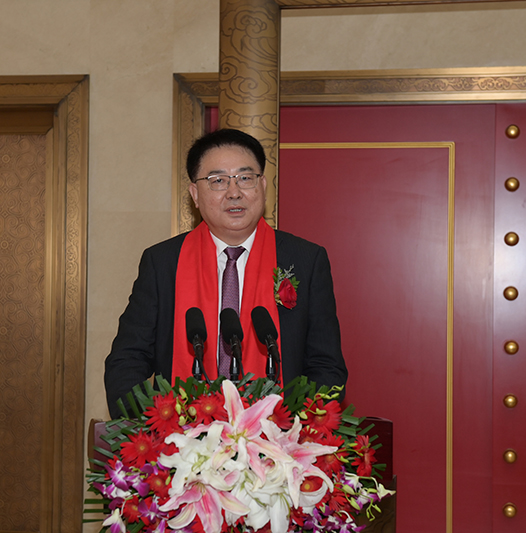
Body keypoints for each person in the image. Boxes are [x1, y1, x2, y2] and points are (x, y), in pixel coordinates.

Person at [104, 128, 347, 418]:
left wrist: (292, 430)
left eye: (245, 178)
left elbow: (325, 366)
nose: (234, 192)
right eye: (218, 181)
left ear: (263, 186)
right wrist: (153, 427)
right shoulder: (162, 262)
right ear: (195, 194)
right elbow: (127, 361)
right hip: (181, 438)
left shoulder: (305, 260)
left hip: (278, 436)